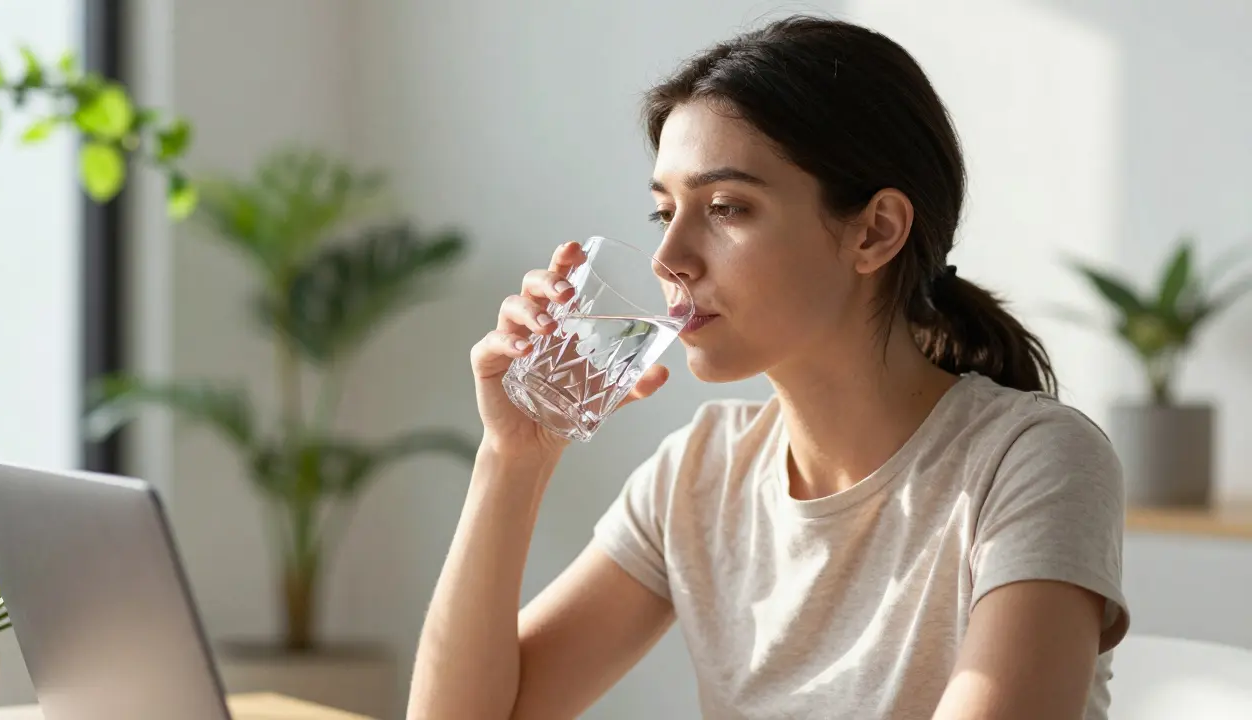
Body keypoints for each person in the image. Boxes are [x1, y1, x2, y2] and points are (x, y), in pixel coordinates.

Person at [407, 14, 1129, 720]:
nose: (669, 258)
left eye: (725, 208)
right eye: (666, 212)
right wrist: (512, 459)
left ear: (874, 231)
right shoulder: (701, 472)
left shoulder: (1030, 462)